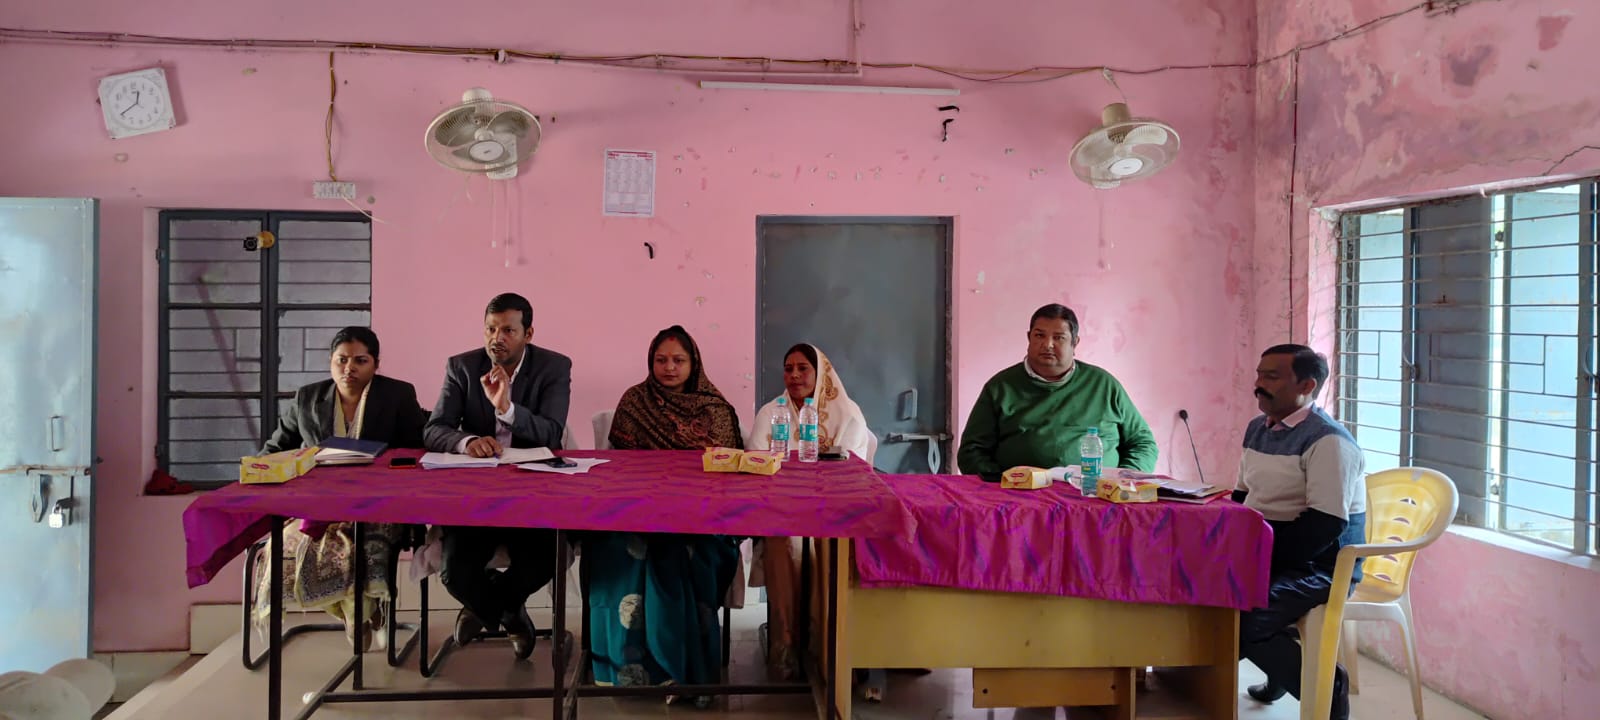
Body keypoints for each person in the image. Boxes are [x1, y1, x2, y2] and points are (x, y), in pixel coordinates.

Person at [588, 326, 742, 705]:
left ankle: (686, 673)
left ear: (693, 364)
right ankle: (633, 671)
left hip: (701, 515)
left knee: (691, 557)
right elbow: (619, 466)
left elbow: (725, 468)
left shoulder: (715, 409)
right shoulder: (635, 402)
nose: (669, 368)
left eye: (678, 360)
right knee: (617, 550)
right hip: (636, 511)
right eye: (661, 360)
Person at [253, 326, 426, 650]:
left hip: (378, 506)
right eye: (341, 360)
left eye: (360, 360)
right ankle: (352, 613)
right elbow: (276, 449)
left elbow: (415, 450)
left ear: (375, 364)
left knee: (363, 546)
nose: (349, 368)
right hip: (317, 508)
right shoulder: (307, 398)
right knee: (288, 547)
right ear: (331, 361)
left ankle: (363, 611)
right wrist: (257, 469)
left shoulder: (397, 395)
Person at [424, 292, 572, 660]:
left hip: (532, 495)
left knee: (545, 559)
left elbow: (552, 434)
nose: (497, 338)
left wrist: (506, 408)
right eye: (491, 329)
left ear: (528, 334)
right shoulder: (462, 367)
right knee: (454, 572)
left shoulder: (553, 367)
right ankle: (511, 614)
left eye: (508, 330)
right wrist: (467, 442)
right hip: (476, 495)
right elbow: (434, 429)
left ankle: (485, 609)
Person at [1234, 344, 1367, 720]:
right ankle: (1272, 669)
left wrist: (1259, 564)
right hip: (1271, 551)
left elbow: (1325, 525)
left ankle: (1329, 687)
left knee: (1242, 618)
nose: (1259, 384)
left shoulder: (1329, 441)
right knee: (1198, 594)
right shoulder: (1257, 428)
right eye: (1259, 374)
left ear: (1307, 385)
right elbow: (1242, 495)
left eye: (1271, 377)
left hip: (1320, 565)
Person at [746, 343, 872, 681]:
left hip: (835, 514)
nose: (794, 375)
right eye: (788, 369)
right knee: (781, 542)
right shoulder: (771, 413)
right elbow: (756, 464)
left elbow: (854, 474)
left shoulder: (848, 414)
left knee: (828, 546)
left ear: (821, 374)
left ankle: (827, 645)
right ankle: (786, 644)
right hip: (781, 512)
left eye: (803, 368)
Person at [957, 303, 1157, 479]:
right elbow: (971, 451)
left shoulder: (1104, 385)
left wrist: (1123, 480)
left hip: (1096, 497)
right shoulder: (1001, 387)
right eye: (1039, 335)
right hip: (1021, 499)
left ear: (1075, 342)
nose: (1047, 345)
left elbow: (1143, 443)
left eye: (1059, 337)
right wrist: (1001, 484)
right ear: (1028, 338)